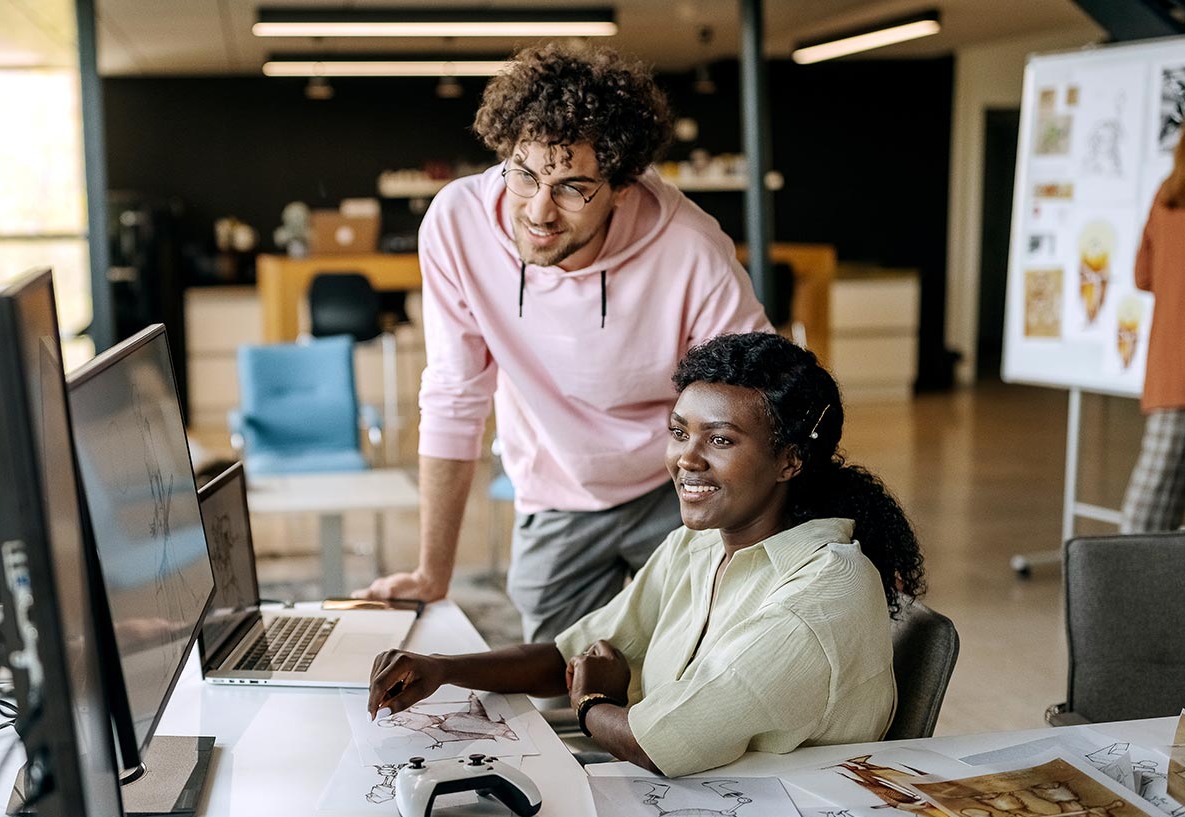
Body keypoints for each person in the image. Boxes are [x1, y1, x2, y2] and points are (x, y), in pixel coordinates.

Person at [367, 332, 925, 777]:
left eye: (721, 440)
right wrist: (441, 668)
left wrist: (590, 704)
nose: (688, 459)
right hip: (701, 792)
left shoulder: (816, 599)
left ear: (791, 462)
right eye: (679, 432)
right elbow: (571, 653)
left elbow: (657, 741)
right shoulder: (700, 543)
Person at [357, 44, 770, 641]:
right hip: (557, 485)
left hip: (675, 483)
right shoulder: (458, 224)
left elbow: (754, 395)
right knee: (556, 687)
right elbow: (454, 393)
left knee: (703, 665)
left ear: (624, 185)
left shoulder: (690, 249)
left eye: (573, 187)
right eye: (524, 174)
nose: (539, 212)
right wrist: (432, 572)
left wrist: (753, 530)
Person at [1121, 134, 1185, 533]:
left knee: (1153, 509)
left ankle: (1127, 587)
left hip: (1170, 369)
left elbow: (1142, 275)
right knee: (1150, 512)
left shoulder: (1168, 194)